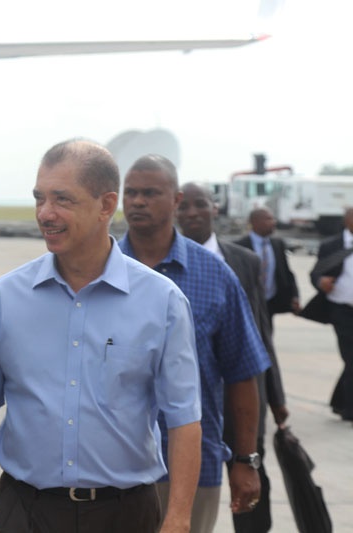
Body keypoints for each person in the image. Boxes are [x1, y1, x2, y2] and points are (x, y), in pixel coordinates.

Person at [0, 139, 202, 533]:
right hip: (25, 512)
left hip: (125, 515)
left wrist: (179, 520)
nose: (45, 214)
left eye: (62, 199)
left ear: (106, 205)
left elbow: (184, 419)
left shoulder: (162, 301)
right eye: (39, 198)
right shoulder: (4, 297)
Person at [119, 155, 271, 533]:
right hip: (109, 469)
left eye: (150, 193)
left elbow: (242, 373)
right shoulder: (99, 271)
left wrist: (246, 460)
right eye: (131, 192)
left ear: (176, 200)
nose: (138, 201)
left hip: (191, 469)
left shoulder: (215, 275)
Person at [177, 182, 289, 532]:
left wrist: (276, 396)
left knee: (250, 484)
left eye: (200, 204)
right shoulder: (155, 265)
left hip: (241, 397)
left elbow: (260, 333)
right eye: (184, 206)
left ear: (215, 208)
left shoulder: (243, 261)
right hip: (192, 404)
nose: (192, 212)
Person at [310, 206, 353, 422]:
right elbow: (316, 273)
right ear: (347, 221)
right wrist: (321, 282)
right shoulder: (332, 245)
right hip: (342, 309)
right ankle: (350, 409)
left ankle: (340, 401)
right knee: (351, 357)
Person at [235, 207, 300, 326]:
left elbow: (286, 272)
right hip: (248, 302)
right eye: (269, 219)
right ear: (255, 222)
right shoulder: (239, 246)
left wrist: (294, 296)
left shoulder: (277, 244)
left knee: (267, 334)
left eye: (273, 218)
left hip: (270, 302)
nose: (273, 222)